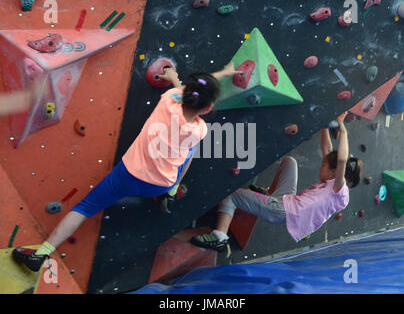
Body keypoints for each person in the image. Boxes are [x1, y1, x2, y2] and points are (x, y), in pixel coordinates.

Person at [12, 63, 241, 272]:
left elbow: (186, 89)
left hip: (128, 175)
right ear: (207, 109)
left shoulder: (169, 99)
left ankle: (42, 253)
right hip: (160, 184)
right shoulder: (200, 129)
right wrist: (223, 75)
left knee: (85, 208)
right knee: (190, 151)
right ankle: (171, 192)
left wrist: (174, 77)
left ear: (185, 94)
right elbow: (194, 95)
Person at [191, 112, 362, 251]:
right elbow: (328, 151)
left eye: (324, 165)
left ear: (334, 172)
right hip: (288, 201)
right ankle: (268, 194)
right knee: (290, 163)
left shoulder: (340, 189)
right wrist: (325, 124)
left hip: (281, 211)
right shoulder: (333, 183)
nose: (321, 165)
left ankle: (220, 236)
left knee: (232, 196)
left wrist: (344, 130)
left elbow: (340, 160)